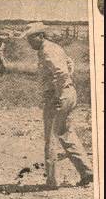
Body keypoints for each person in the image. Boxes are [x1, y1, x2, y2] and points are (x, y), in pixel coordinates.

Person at [20, 22, 93, 187]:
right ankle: (87, 172)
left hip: (58, 96)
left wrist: (58, 94)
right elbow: (70, 64)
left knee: (51, 139)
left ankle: (51, 181)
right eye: (28, 39)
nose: (29, 42)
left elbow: (60, 73)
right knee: (66, 134)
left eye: (31, 38)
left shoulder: (46, 51)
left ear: (40, 36)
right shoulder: (54, 47)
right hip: (68, 93)